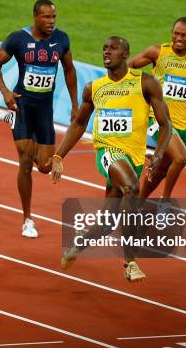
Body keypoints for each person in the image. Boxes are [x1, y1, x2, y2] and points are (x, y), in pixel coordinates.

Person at [49, 36, 171, 281]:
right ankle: (130, 262)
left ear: (126, 54)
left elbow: (165, 124)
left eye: (113, 49)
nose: (107, 52)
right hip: (108, 152)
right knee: (132, 188)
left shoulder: (145, 83)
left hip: (134, 158)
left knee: (108, 221)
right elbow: (80, 123)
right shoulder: (94, 88)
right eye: (104, 48)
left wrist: (158, 153)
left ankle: (79, 244)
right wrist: (58, 154)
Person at [0, 0, 78, 238]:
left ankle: (10, 120)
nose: (51, 22)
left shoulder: (62, 39)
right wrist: (6, 92)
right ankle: (27, 219)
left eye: (54, 18)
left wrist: (75, 104)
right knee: (26, 162)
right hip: (23, 107)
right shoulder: (18, 39)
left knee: (45, 167)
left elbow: (70, 70)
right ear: (36, 17)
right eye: (47, 17)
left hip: (45, 110)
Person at [128, 17, 186, 202]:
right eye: (176, 34)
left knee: (162, 170)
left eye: (184, 35)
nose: (179, 38)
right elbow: (128, 66)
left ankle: (137, 202)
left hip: (184, 125)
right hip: (159, 119)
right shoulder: (158, 52)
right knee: (181, 159)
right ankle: (165, 200)